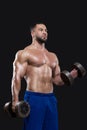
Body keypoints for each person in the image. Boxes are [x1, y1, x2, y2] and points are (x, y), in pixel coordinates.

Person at [11, 22, 78, 130]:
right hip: (33, 98)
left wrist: (71, 75)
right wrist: (15, 100)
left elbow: (56, 81)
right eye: (41, 30)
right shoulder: (24, 53)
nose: (45, 32)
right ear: (33, 33)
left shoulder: (53, 56)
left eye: (46, 30)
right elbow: (17, 77)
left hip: (50, 99)